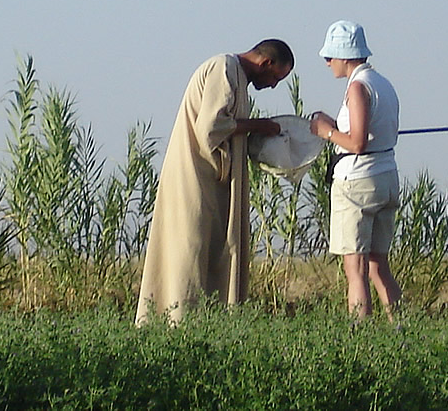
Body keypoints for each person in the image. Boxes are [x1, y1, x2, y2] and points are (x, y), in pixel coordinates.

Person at [135, 39, 294, 325]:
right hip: (193, 177)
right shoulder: (223, 68)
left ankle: (206, 324)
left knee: (209, 252)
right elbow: (210, 127)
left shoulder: (235, 75)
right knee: (189, 251)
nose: (272, 86)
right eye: (274, 78)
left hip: (210, 180)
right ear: (265, 63)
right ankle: (177, 323)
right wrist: (259, 125)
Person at [310, 21, 402, 321]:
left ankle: (359, 341)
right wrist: (336, 126)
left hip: (357, 183)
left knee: (356, 269)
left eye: (331, 56)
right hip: (386, 177)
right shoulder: (383, 84)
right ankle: (401, 331)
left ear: (345, 56)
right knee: (378, 265)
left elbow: (358, 143)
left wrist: (325, 132)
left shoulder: (358, 87)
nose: (327, 62)